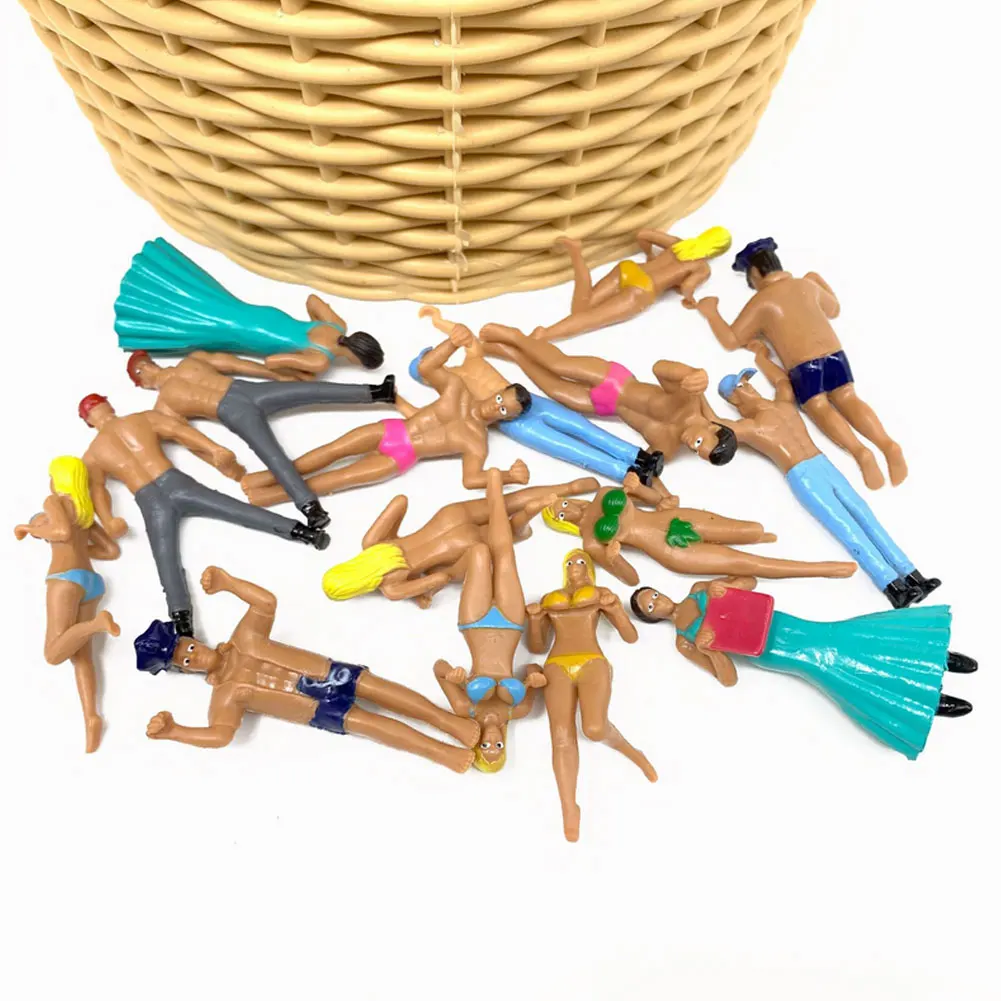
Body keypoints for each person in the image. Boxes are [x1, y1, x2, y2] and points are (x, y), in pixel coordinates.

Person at [136, 566, 480, 772]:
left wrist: (229, 582)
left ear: (195, 639)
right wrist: (175, 732)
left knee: (384, 691)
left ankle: (449, 723)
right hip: (313, 709)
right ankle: (443, 753)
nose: (195, 657)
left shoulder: (244, 637)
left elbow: (265, 602)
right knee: (372, 725)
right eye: (186, 660)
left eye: (190, 648)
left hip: (328, 672)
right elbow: (220, 735)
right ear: (186, 670)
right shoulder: (225, 696)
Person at [630, 579, 976, 759]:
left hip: (783, 623)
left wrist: (723, 587)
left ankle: (936, 655)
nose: (657, 601)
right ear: (650, 617)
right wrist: (712, 650)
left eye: (653, 595)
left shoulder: (697, 591)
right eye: (649, 606)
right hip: (774, 652)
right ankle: (923, 702)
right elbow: (728, 678)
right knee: (836, 670)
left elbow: (748, 583)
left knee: (849, 638)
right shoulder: (685, 642)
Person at [79, 394, 328, 639]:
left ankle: (300, 531)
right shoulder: (108, 444)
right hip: (155, 495)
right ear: (94, 416)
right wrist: (108, 519)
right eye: (95, 408)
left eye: (97, 407)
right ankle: (181, 617)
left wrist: (214, 449)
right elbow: (98, 489)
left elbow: (179, 431)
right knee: (169, 552)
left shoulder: (126, 430)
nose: (99, 412)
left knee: (223, 514)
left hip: (164, 488)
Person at [714, 358, 939, 607]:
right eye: (741, 386)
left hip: (823, 463)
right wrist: (694, 399)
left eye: (747, 382)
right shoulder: (748, 426)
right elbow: (716, 425)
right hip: (803, 476)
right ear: (734, 400)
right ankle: (892, 586)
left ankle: (913, 575)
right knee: (848, 529)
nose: (749, 387)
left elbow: (782, 382)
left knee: (865, 515)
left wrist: (763, 358)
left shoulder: (782, 404)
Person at [694, 238, 906, 489]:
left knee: (819, 407)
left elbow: (732, 340)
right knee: (849, 398)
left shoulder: (762, 301)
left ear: (756, 273)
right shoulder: (806, 285)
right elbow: (834, 308)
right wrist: (815, 278)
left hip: (803, 365)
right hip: (835, 354)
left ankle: (860, 452)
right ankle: (887, 444)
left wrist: (711, 313)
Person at [240, 334, 532, 505]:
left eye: (504, 411)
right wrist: (451, 343)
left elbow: (471, 479)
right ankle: (263, 479)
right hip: (390, 431)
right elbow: (427, 367)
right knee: (329, 453)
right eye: (499, 400)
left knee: (336, 479)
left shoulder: (477, 442)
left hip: (401, 457)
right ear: (496, 392)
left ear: (507, 419)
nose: (495, 408)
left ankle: (267, 497)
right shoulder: (458, 390)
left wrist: (509, 476)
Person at [126, 350, 395, 530]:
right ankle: (309, 507)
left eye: (144, 362)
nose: (145, 369)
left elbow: (232, 364)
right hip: (230, 411)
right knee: (272, 455)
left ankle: (376, 392)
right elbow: (186, 437)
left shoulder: (191, 360)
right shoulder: (163, 406)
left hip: (245, 388)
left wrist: (273, 374)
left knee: (306, 390)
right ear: (142, 385)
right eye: (139, 372)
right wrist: (217, 455)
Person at [412, 308, 665, 486]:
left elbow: (466, 337)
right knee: (569, 448)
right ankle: (627, 472)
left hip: (526, 399)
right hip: (513, 423)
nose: (437, 358)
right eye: (429, 359)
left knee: (581, 426)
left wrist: (439, 322)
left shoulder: (472, 359)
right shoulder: (451, 391)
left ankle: (640, 456)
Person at [525, 549, 656, 841]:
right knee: (561, 737)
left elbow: (630, 636)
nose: (575, 565)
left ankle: (635, 754)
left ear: (590, 569)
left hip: (591, 661)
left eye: (581, 561)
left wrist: (616, 609)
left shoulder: (600, 593)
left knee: (594, 729)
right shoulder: (551, 598)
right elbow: (537, 646)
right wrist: (534, 620)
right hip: (557, 664)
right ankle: (569, 807)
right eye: (570, 562)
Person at [479, 322, 738, 469]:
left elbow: (636, 458)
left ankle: (511, 353)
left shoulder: (667, 448)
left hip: (605, 406)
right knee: (559, 365)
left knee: (552, 389)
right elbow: (659, 368)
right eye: (699, 441)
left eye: (696, 450)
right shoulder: (688, 400)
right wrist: (688, 373)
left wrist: (643, 475)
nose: (691, 444)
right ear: (713, 427)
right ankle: (515, 337)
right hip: (616, 381)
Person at [116, 238, 384, 379]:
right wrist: (300, 371)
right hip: (248, 333)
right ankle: (142, 313)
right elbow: (272, 362)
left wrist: (308, 326)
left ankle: (149, 288)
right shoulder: (320, 361)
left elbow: (312, 300)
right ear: (356, 360)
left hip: (262, 315)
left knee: (212, 301)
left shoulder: (337, 326)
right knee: (201, 320)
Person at [322, 476, 600, 606]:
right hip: (447, 518)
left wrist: (423, 591)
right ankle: (569, 487)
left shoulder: (391, 588)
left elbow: (440, 579)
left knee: (509, 535)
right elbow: (400, 501)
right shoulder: (371, 543)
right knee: (506, 502)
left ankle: (529, 517)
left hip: (457, 548)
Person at [432, 469, 547, 772]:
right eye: (499, 747)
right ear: (505, 744)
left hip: (475, 624)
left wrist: (453, 675)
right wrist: (535, 678)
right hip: (511, 624)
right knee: (506, 555)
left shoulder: (464, 708)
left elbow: (438, 667)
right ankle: (494, 483)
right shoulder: (517, 711)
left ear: (478, 742)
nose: (493, 742)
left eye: (486, 747)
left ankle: (446, 574)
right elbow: (535, 670)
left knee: (481, 552)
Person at [541, 476, 857, 586]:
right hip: (669, 550)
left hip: (674, 519)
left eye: (563, 503)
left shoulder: (602, 494)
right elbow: (632, 579)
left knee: (749, 530)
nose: (568, 509)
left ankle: (759, 537)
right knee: (743, 563)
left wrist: (641, 490)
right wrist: (614, 558)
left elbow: (655, 499)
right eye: (560, 514)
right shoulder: (590, 541)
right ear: (562, 522)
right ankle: (820, 569)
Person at [14, 457, 121, 752]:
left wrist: (29, 529)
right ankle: (91, 717)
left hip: (65, 580)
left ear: (58, 478)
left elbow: (60, 532)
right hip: (92, 581)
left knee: (52, 654)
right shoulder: (85, 512)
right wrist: (78, 548)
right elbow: (110, 550)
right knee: (80, 656)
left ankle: (97, 624)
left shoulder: (55, 502)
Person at [528, 227, 732, 341]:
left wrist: (649, 254)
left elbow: (643, 234)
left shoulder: (678, 244)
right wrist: (690, 299)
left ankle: (576, 253)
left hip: (629, 268)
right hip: (642, 289)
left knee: (581, 309)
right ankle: (544, 335)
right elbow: (687, 287)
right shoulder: (702, 268)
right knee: (589, 319)